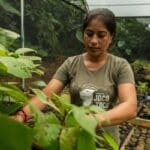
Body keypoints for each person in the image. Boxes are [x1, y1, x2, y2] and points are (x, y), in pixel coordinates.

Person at [13, 8, 137, 144]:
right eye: (89, 34)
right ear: (83, 34)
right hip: (74, 140)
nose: (94, 41)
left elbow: (130, 107)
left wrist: (93, 120)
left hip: (105, 143)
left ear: (111, 37)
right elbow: (46, 95)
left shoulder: (120, 66)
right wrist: (22, 115)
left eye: (101, 35)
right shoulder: (71, 63)